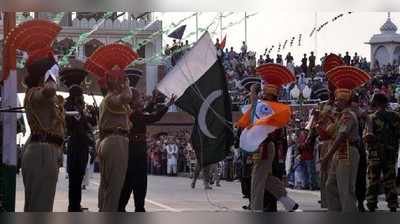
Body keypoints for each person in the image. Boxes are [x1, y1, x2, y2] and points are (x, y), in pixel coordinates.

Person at [6, 20, 64, 212]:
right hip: (42, 152)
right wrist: (51, 75)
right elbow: (48, 91)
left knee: (36, 208)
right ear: (44, 72)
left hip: (44, 150)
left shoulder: (35, 93)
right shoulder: (36, 93)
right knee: (40, 208)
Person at [85, 43, 137, 212]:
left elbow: (129, 121)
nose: (123, 81)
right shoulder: (112, 98)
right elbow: (128, 97)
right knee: (114, 187)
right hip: (115, 142)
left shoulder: (108, 98)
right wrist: (127, 84)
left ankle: (103, 211)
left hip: (108, 141)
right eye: (121, 78)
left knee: (106, 185)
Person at [242, 64, 298, 212]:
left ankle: (256, 210)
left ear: (269, 94)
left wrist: (253, 93)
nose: (262, 95)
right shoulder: (272, 106)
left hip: (265, 146)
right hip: (265, 145)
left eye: (264, 92)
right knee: (265, 178)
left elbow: (255, 109)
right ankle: (288, 202)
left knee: (257, 180)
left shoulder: (268, 107)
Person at [118, 70, 173, 212]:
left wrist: (153, 102)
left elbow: (144, 113)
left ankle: (121, 208)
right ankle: (138, 208)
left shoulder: (129, 112)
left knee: (128, 181)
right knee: (139, 181)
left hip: (132, 149)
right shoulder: (135, 114)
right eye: (140, 98)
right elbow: (152, 117)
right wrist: (166, 106)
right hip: (137, 150)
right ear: (133, 100)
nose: (143, 99)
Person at [320, 66, 371, 212]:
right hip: (341, 151)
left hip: (347, 150)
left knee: (345, 189)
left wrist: (327, 156)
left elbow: (342, 135)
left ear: (346, 101)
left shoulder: (348, 115)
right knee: (331, 185)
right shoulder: (341, 115)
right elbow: (329, 133)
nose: (336, 102)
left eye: (339, 100)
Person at [61, 61, 96, 212]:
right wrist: (82, 113)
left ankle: (76, 204)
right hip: (74, 144)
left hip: (82, 145)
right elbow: (75, 124)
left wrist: (94, 113)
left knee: (79, 176)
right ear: (75, 95)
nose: (82, 96)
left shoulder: (81, 107)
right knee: (74, 177)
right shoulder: (69, 107)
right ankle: (72, 206)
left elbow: (92, 123)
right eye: (80, 94)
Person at [364, 93, 400, 212]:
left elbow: (366, 137)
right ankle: (392, 203)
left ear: (376, 102)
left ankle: (371, 203)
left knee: (373, 178)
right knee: (390, 178)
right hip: (391, 152)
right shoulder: (396, 116)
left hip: (375, 153)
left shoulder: (371, 118)